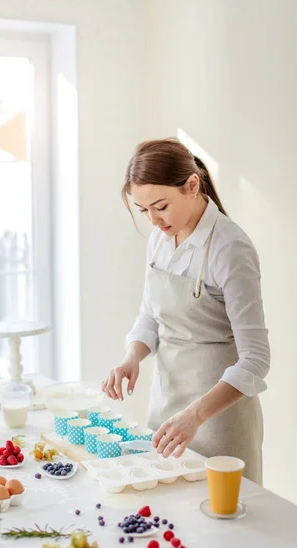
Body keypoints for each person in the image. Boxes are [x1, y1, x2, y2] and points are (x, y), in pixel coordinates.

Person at [102, 138, 270, 484]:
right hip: (168, 410)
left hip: (219, 421)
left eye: (160, 206)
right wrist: (131, 357)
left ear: (192, 186)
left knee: (223, 527)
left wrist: (195, 416)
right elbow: (151, 315)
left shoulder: (230, 248)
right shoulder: (161, 238)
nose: (153, 220)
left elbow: (256, 359)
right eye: (143, 209)